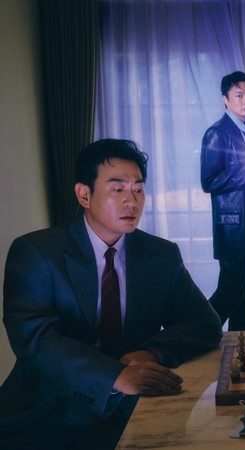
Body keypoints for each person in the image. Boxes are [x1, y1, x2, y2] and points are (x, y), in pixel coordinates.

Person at [0, 139, 223, 449]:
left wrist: (151, 353)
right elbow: (33, 338)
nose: (131, 201)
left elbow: (204, 323)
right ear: (84, 194)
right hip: (48, 407)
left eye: (138, 190)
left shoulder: (161, 255)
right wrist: (113, 376)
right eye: (118, 189)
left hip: (134, 407)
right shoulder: (37, 252)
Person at [201, 71, 245, 331]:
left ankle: (244, 347)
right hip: (233, 226)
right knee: (232, 290)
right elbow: (209, 182)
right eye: (239, 95)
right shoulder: (216, 133)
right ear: (225, 99)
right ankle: (197, 334)